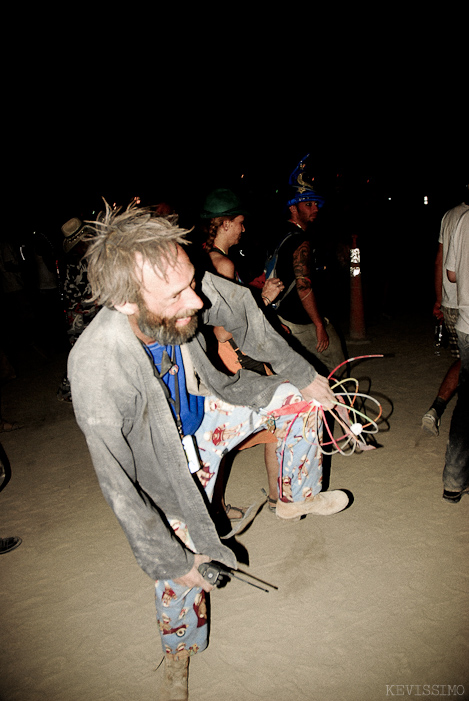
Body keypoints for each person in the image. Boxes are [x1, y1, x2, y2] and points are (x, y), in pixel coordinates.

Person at [68, 201, 349, 700]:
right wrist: (170, 560)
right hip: (163, 464)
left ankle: (292, 496)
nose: (197, 302)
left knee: (293, 397)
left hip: (210, 413)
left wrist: (306, 377)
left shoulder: (187, 283)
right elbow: (118, 484)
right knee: (179, 562)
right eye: (178, 295)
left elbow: (246, 315)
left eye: (192, 284)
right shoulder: (97, 363)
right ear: (129, 302)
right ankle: (179, 654)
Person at [199, 187, 285, 517]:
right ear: (224, 224)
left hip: (217, 356)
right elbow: (223, 328)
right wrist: (263, 299)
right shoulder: (223, 264)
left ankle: (221, 508)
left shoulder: (202, 260)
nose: (243, 229)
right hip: (233, 356)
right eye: (239, 222)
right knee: (266, 427)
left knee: (225, 437)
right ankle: (278, 500)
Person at [271, 155, 346, 377]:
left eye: (316, 204)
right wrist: (319, 325)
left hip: (283, 316)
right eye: (309, 204)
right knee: (338, 370)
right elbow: (303, 285)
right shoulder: (299, 240)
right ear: (293, 208)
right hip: (302, 321)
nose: (315, 209)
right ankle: (341, 411)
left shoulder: (279, 234)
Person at [421, 192, 469, 435]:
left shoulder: (451, 215)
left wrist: (439, 299)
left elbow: (440, 259)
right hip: (464, 301)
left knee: (463, 360)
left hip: (452, 301)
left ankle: (436, 410)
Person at [56, 218, 101, 401]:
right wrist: (90, 304)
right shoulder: (74, 265)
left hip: (93, 314)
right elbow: (71, 295)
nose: (85, 244)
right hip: (79, 317)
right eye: (81, 242)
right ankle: (66, 390)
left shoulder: (94, 258)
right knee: (80, 356)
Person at [442, 209, 469, 503]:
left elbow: (450, 273)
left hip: (466, 321)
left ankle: (454, 479)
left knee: (466, 401)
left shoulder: (463, 219)